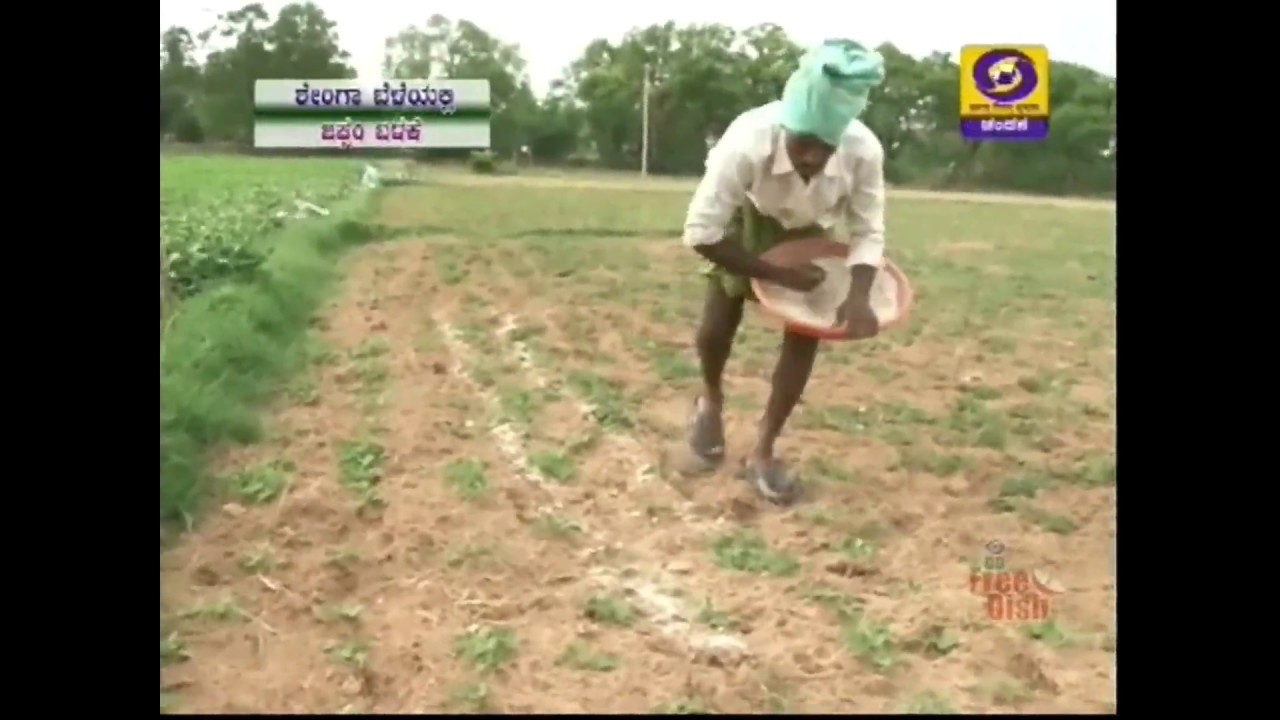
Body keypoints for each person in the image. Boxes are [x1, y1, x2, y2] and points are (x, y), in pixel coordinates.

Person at [678, 39, 888, 503]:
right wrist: (776, 275)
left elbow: (869, 232)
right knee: (716, 327)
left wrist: (859, 295)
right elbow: (700, 232)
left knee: (805, 334)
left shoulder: (863, 151)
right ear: (785, 126)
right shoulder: (746, 140)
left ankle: (763, 452)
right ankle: (710, 400)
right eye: (802, 143)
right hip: (745, 222)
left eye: (824, 147)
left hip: (807, 230)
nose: (811, 157)